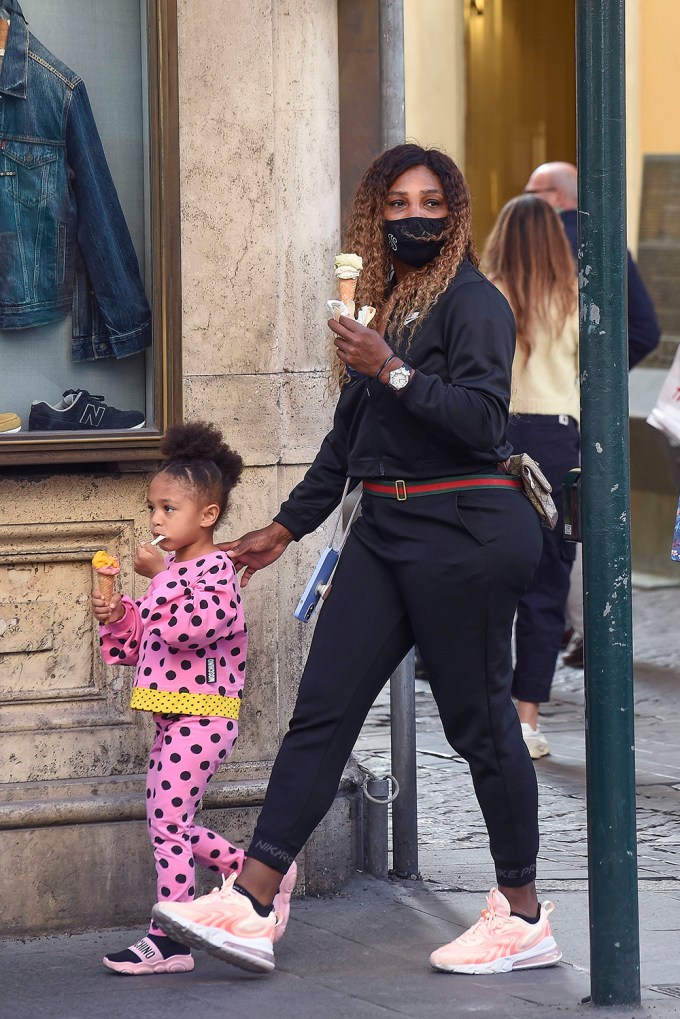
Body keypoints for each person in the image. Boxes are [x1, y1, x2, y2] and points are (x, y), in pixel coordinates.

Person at [150, 144, 562, 978]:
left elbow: (485, 424)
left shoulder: (474, 303)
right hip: (384, 528)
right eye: (397, 204)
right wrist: (283, 528)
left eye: (431, 203)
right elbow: (352, 438)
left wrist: (394, 369)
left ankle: (522, 913)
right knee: (324, 708)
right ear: (374, 215)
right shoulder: (389, 306)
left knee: (480, 724)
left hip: (467, 529)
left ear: (456, 214)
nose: (414, 217)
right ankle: (254, 902)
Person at [92, 422, 295, 975]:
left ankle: (170, 937)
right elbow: (148, 642)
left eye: (169, 508)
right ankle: (260, 872)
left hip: (205, 717)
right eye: (152, 507)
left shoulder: (216, 573)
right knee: (169, 823)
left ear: (206, 516)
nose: (156, 520)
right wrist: (119, 618)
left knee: (167, 823)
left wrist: (158, 579)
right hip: (170, 716)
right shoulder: (179, 572)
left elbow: (192, 629)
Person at [525, 161, 661, 668]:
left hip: (529, 410)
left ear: (555, 196)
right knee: (582, 516)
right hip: (587, 413)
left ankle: (547, 628)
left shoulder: (528, 246)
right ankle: (589, 631)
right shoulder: (605, 242)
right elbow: (645, 330)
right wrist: (596, 382)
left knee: (541, 517)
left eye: (530, 191)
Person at [482, 195, 579, 758]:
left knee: (492, 577)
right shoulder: (573, 295)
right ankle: (527, 719)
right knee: (548, 584)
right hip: (558, 441)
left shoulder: (487, 291)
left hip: (497, 438)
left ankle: (491, 707)